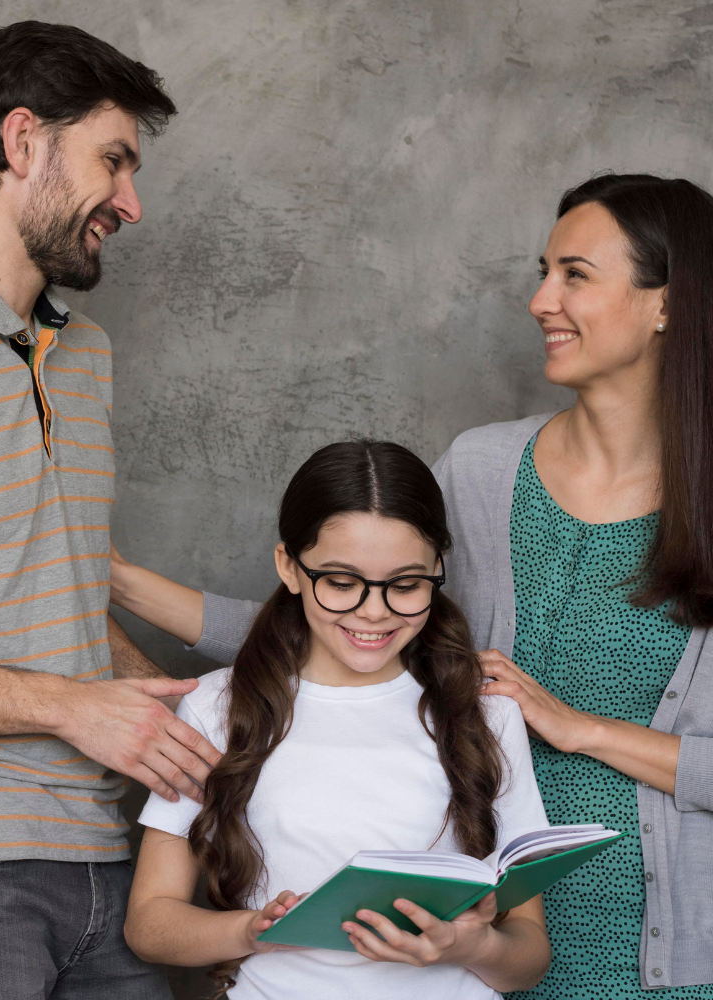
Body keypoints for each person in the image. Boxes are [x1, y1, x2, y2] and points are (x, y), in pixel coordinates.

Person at [112, 173, 713, 995]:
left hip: (664, 950)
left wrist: (583, 732)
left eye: (575, 274)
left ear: (667, 303)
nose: (540, 300)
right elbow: (358, 613)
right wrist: (117, 582)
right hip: (471, 942)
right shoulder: (484, 470)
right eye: (544, 271)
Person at [0, 21, 221, 999]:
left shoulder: (85, 356)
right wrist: (67, 706)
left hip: (105, 857)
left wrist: (189, 729)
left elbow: (53, 599)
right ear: (21, 142)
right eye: (113, 161)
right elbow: (61, 686)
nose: (130, 203)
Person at [122, 440, 552, 999]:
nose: (374, 612)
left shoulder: (486, 710)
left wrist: (473, 947)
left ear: (438, 570)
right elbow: (150, 925)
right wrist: (251, 931)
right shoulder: (216, 706)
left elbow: (529, 958)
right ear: (290, 568)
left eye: (406, 585)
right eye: (342, 583)